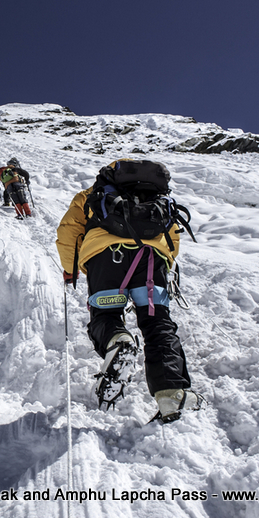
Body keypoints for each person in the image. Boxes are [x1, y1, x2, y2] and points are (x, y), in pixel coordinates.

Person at [55, 159, 201, 423]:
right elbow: (173, 237)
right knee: (158, 323)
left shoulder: (91, 195)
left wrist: (70, 269)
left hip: (105, 258)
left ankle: (117, 341)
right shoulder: (157, 197)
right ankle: (172, 394)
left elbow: (68, 232)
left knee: (106, 314)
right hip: (151, 260)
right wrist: (163, 261)